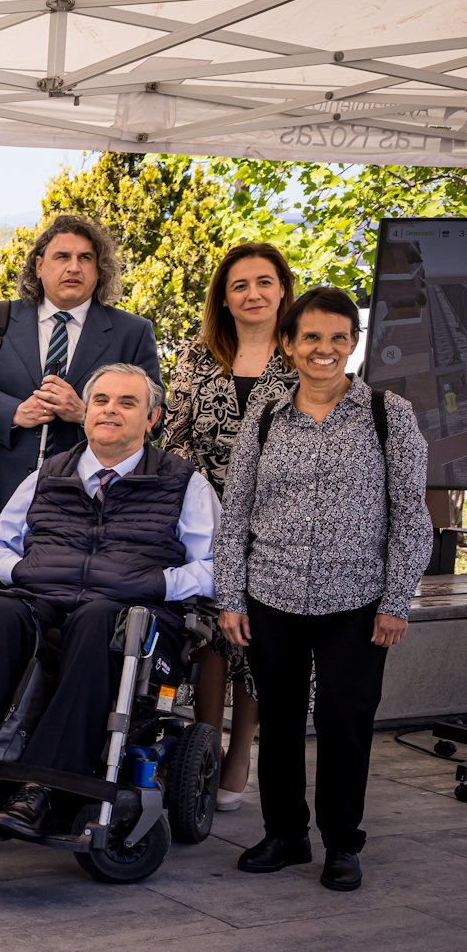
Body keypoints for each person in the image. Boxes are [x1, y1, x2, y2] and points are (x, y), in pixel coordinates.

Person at [216, 287, 429, 893]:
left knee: (343, 718)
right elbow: (237, 513)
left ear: (354, 344)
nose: (324, 349)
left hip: (357, 601)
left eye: (339, 337)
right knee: (279, 719)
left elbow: (411, 517)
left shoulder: (389, 415)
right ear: (288, 343)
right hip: (272, 593)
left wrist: (396, 601)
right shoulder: (264, 417)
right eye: (310, 336)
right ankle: (285, 835)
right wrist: (231, 596)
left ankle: (341, 842)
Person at [0, 363, 220, 838]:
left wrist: (157, 583)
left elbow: (214, 568)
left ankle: (42, 788)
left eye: (127, 402)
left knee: (97, 617)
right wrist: (20, 571)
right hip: (45, 604)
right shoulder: (48, 474)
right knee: (1, 612)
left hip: (132, 622)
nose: (110, 411)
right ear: (85, 413)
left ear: (152, 417)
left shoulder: (184, 483)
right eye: (101, 400)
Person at [163, 242, 298, 810]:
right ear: (223, 296)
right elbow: (173, 436)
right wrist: (183, 507)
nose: (253, 294)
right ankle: (206, 746)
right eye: (239, 285)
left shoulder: (302, 356)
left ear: (283, 290)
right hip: (203, 515)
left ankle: (241, 751)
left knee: (256, 636)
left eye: (264, 282)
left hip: (279, 521)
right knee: (208, 633)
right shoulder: (196, 356)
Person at [0, 214, 162, 529]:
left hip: (92, 505)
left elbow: (155, 419)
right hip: (2, 498)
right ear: (39, 266)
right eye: (62, 257)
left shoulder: (133, 333)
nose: (74, 267)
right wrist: (15, 411)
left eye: (85, 258)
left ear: (99, 270)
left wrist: (87, 413)